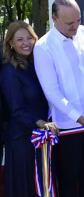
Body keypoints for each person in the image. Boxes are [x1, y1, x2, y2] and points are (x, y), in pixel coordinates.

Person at [34, 0, 84, 197]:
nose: (76, 26)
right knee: (68, 181)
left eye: (78, 20)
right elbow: (51, 92)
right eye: (70, 22)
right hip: (67, 127)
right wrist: (79, 118)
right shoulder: (43, 47)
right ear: (54, 18)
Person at [0, 21, 59, 197]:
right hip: (23, 139)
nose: (26, 43)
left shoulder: (37, 65)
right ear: (10, 42)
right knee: (28, 188)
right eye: (20, 39)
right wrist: (41, 123)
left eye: (29, 38)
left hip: (42, 134)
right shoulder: (9, 72)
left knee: (45, 184)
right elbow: (16, 110)